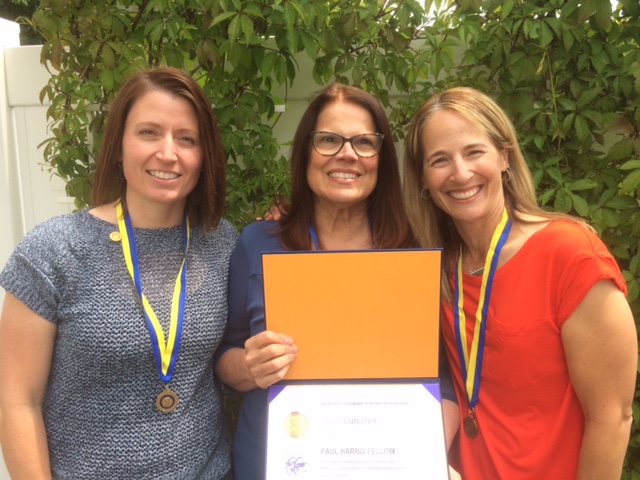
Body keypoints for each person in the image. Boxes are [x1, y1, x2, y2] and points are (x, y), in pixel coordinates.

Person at [0, 67, 237, 479]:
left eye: (187, 138)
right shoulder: (54, 251)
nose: (168, 152)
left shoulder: (222, 243)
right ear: (118, 147)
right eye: (149, 132)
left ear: (204, 156)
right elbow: (18, 401)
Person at [215, 83, 460, 479]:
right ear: (305, 151)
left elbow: (446, 378)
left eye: (364, 142)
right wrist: (249, 365)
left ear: (381, 159)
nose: (347, 153)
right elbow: (225, 360)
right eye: (329, 139)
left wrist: (422, 456)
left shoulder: (414, 249)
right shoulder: (258, 242)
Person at [403, 86, 637, 479]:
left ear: (504, 157)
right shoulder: (438, 271)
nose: (460, 173)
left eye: (474, 152)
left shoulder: (570, 255)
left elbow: (612, 419)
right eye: (440, 160)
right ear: (424, 179)